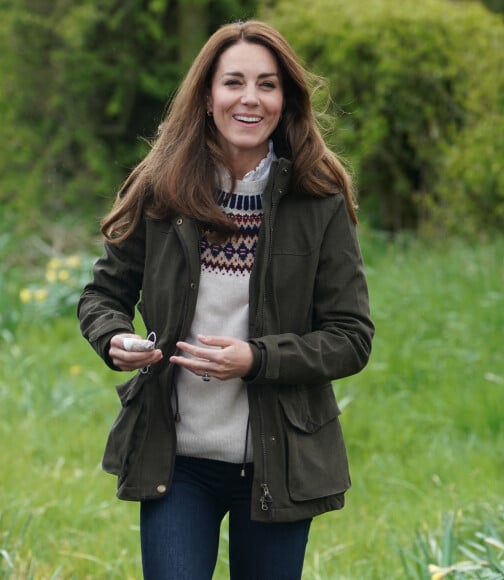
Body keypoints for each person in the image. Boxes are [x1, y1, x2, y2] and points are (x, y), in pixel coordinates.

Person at [78, 19, 374, 580]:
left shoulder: (321, 199)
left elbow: (351, 338)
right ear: (207, 96)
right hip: (174, 458)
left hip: (279, 460)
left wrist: (257, 360)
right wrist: (114, 337)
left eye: (267, 84)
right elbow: (103, 294)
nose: (250, 98)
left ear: (285, 101)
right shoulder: (160, 185)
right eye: (233, 82)